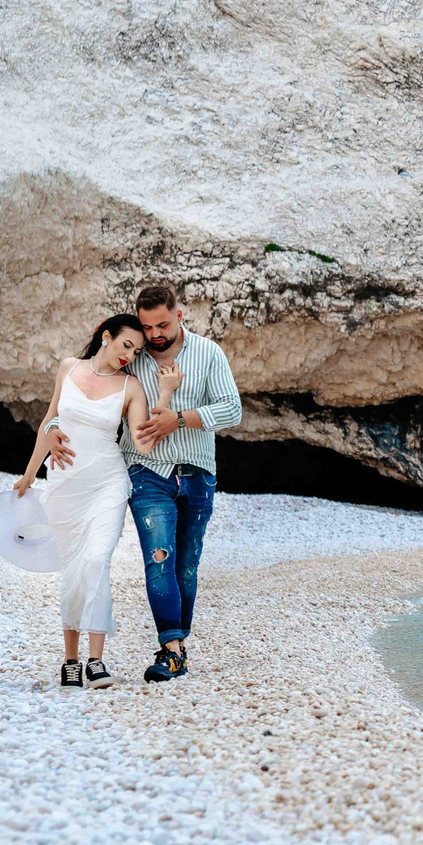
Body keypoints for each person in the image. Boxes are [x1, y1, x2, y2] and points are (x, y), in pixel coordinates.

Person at [44, 283, 243, 684]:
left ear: (179, 316)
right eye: (148, 326)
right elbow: (82, 388)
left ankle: (178, 648)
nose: (153, 334)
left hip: (198, 472)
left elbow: (232, 409)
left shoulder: (208, 353)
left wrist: (180, 418)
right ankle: (170, 650)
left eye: (162, 324)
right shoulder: (131, 358)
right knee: (160, 560)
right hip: (146, 471)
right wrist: (51, 427)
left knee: (187, 566)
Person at [14, 314, 165, 689]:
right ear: (106, 337)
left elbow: (143, 443)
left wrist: (165, 395)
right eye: (125, 345)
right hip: (64, 484)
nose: (130, 355)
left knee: (96, 560)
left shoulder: (132, 388)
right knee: (73, 569)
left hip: (108, 483)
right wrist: (30, 474)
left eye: (137, 350)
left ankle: (96, 662)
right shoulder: (69, 368)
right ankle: (71, 660)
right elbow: (50, 419)